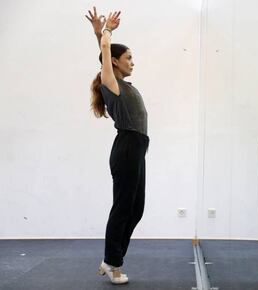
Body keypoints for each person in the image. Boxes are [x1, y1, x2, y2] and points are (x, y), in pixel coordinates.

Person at [86, 7, 149, 284]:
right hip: (126, 147)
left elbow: (104, 54)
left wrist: (100, 33)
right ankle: (112, 262)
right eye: (129, 58)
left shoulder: (122, 83)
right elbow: (105, 56)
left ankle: (113, 259)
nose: (133, 62)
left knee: (136, 208)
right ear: (115, 62)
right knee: (124, 207)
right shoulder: (110, 84)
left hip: (137, 148)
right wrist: (106, 32)